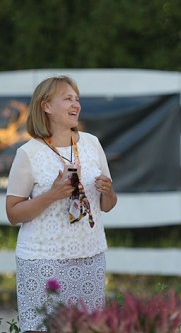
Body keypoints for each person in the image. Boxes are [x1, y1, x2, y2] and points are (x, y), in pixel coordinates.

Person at [5, 75, 118, 333]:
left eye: (77, 99)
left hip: (90, 255)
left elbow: (107, 205)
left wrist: (109, 192)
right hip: (42, 260)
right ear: (46, 106)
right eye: (67, 99)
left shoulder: (92, 144)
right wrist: (51, 195)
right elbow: (13, 213)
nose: (75, 104)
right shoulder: (28, 153)